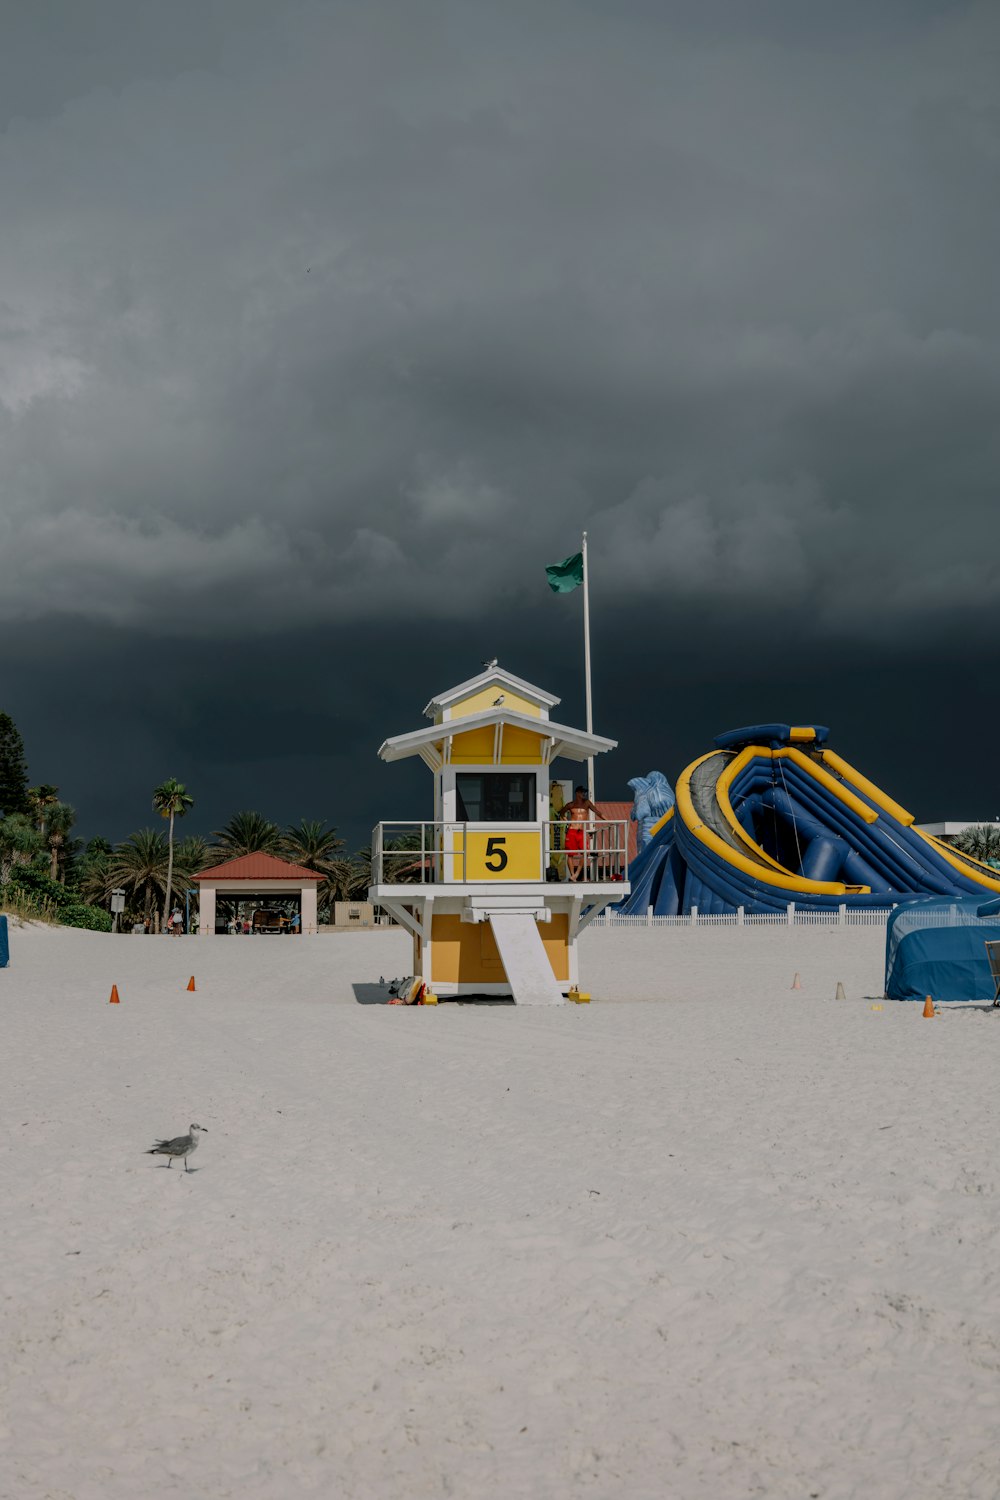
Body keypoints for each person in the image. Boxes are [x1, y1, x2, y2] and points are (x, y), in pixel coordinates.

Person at [559, 785, 606, 882]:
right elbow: (561, 813)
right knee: (570, 854)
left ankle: (576, 874)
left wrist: (608, 820)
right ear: (577, 793)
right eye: (582, 792)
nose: (584, 794)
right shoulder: (570, 805)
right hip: (572, 831)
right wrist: (566, 821)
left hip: (582, 831)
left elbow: (598, 812)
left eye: (584, 792)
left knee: (585, 852)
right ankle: (572, 876)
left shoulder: (587, 803)